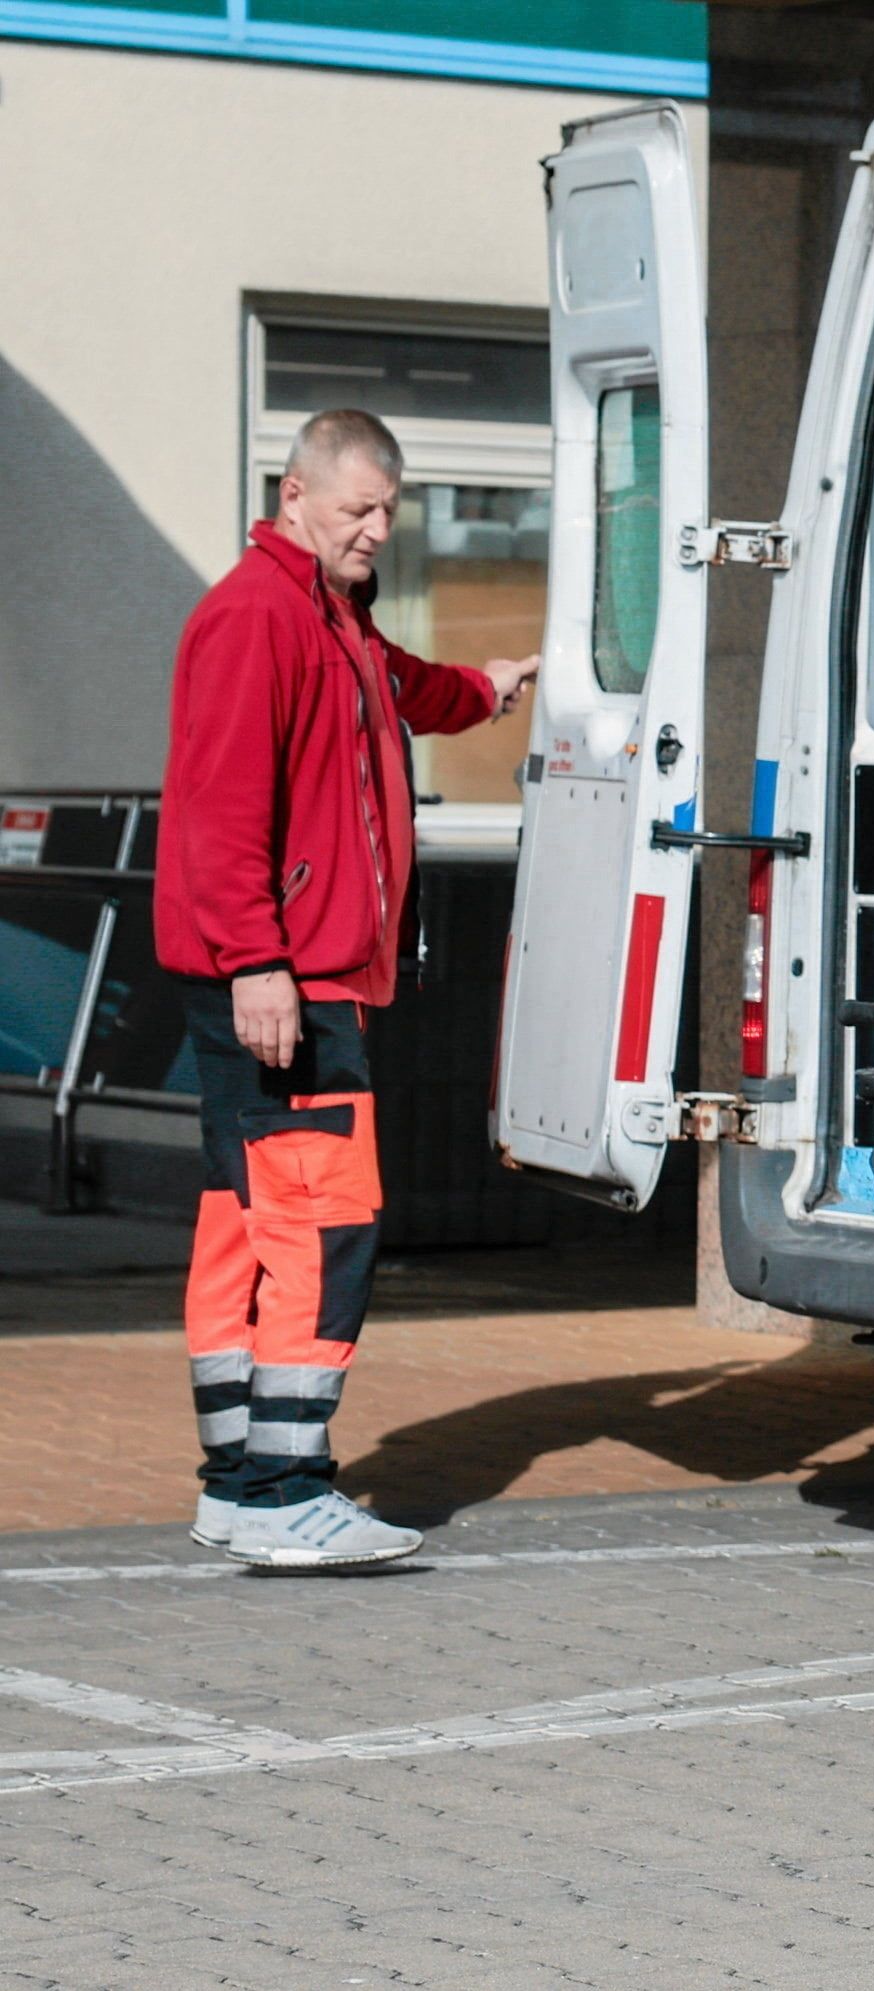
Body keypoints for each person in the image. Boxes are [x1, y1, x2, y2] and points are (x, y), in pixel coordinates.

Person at [152, 409, 537, 1570]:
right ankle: (285, 1491)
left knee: (249, 1222)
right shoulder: (256, 616)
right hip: (285, 980)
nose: (376, 529)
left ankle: (240, 1483)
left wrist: (485, 686)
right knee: (324, 1225)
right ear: (295, 496)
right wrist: (257, 961)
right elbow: (221, 810)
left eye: (388, 511)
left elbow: (402, 687)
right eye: (357, 507)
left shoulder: (334, 616)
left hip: (292, 973)